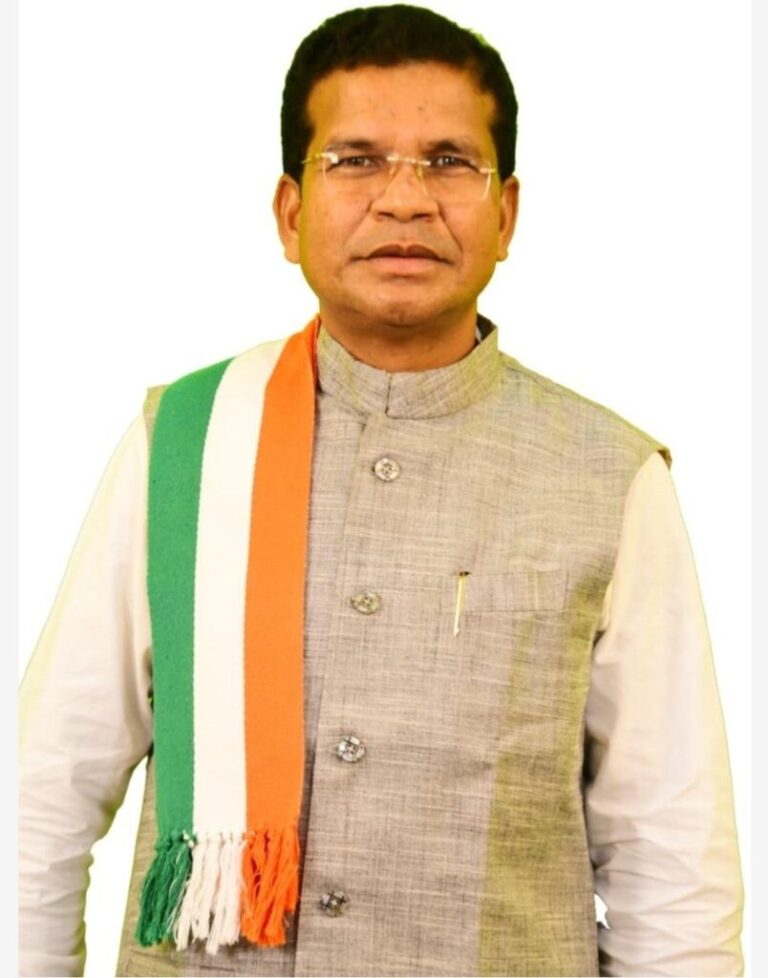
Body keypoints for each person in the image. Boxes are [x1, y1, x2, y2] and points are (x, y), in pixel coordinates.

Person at [18, 5, 745, 977]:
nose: (405, 200)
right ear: (291, 213)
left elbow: (671, 855)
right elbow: (44, 791)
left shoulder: (610, 477)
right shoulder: (184, 442)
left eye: (449, 162)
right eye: (356, 160)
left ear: (506, 214)